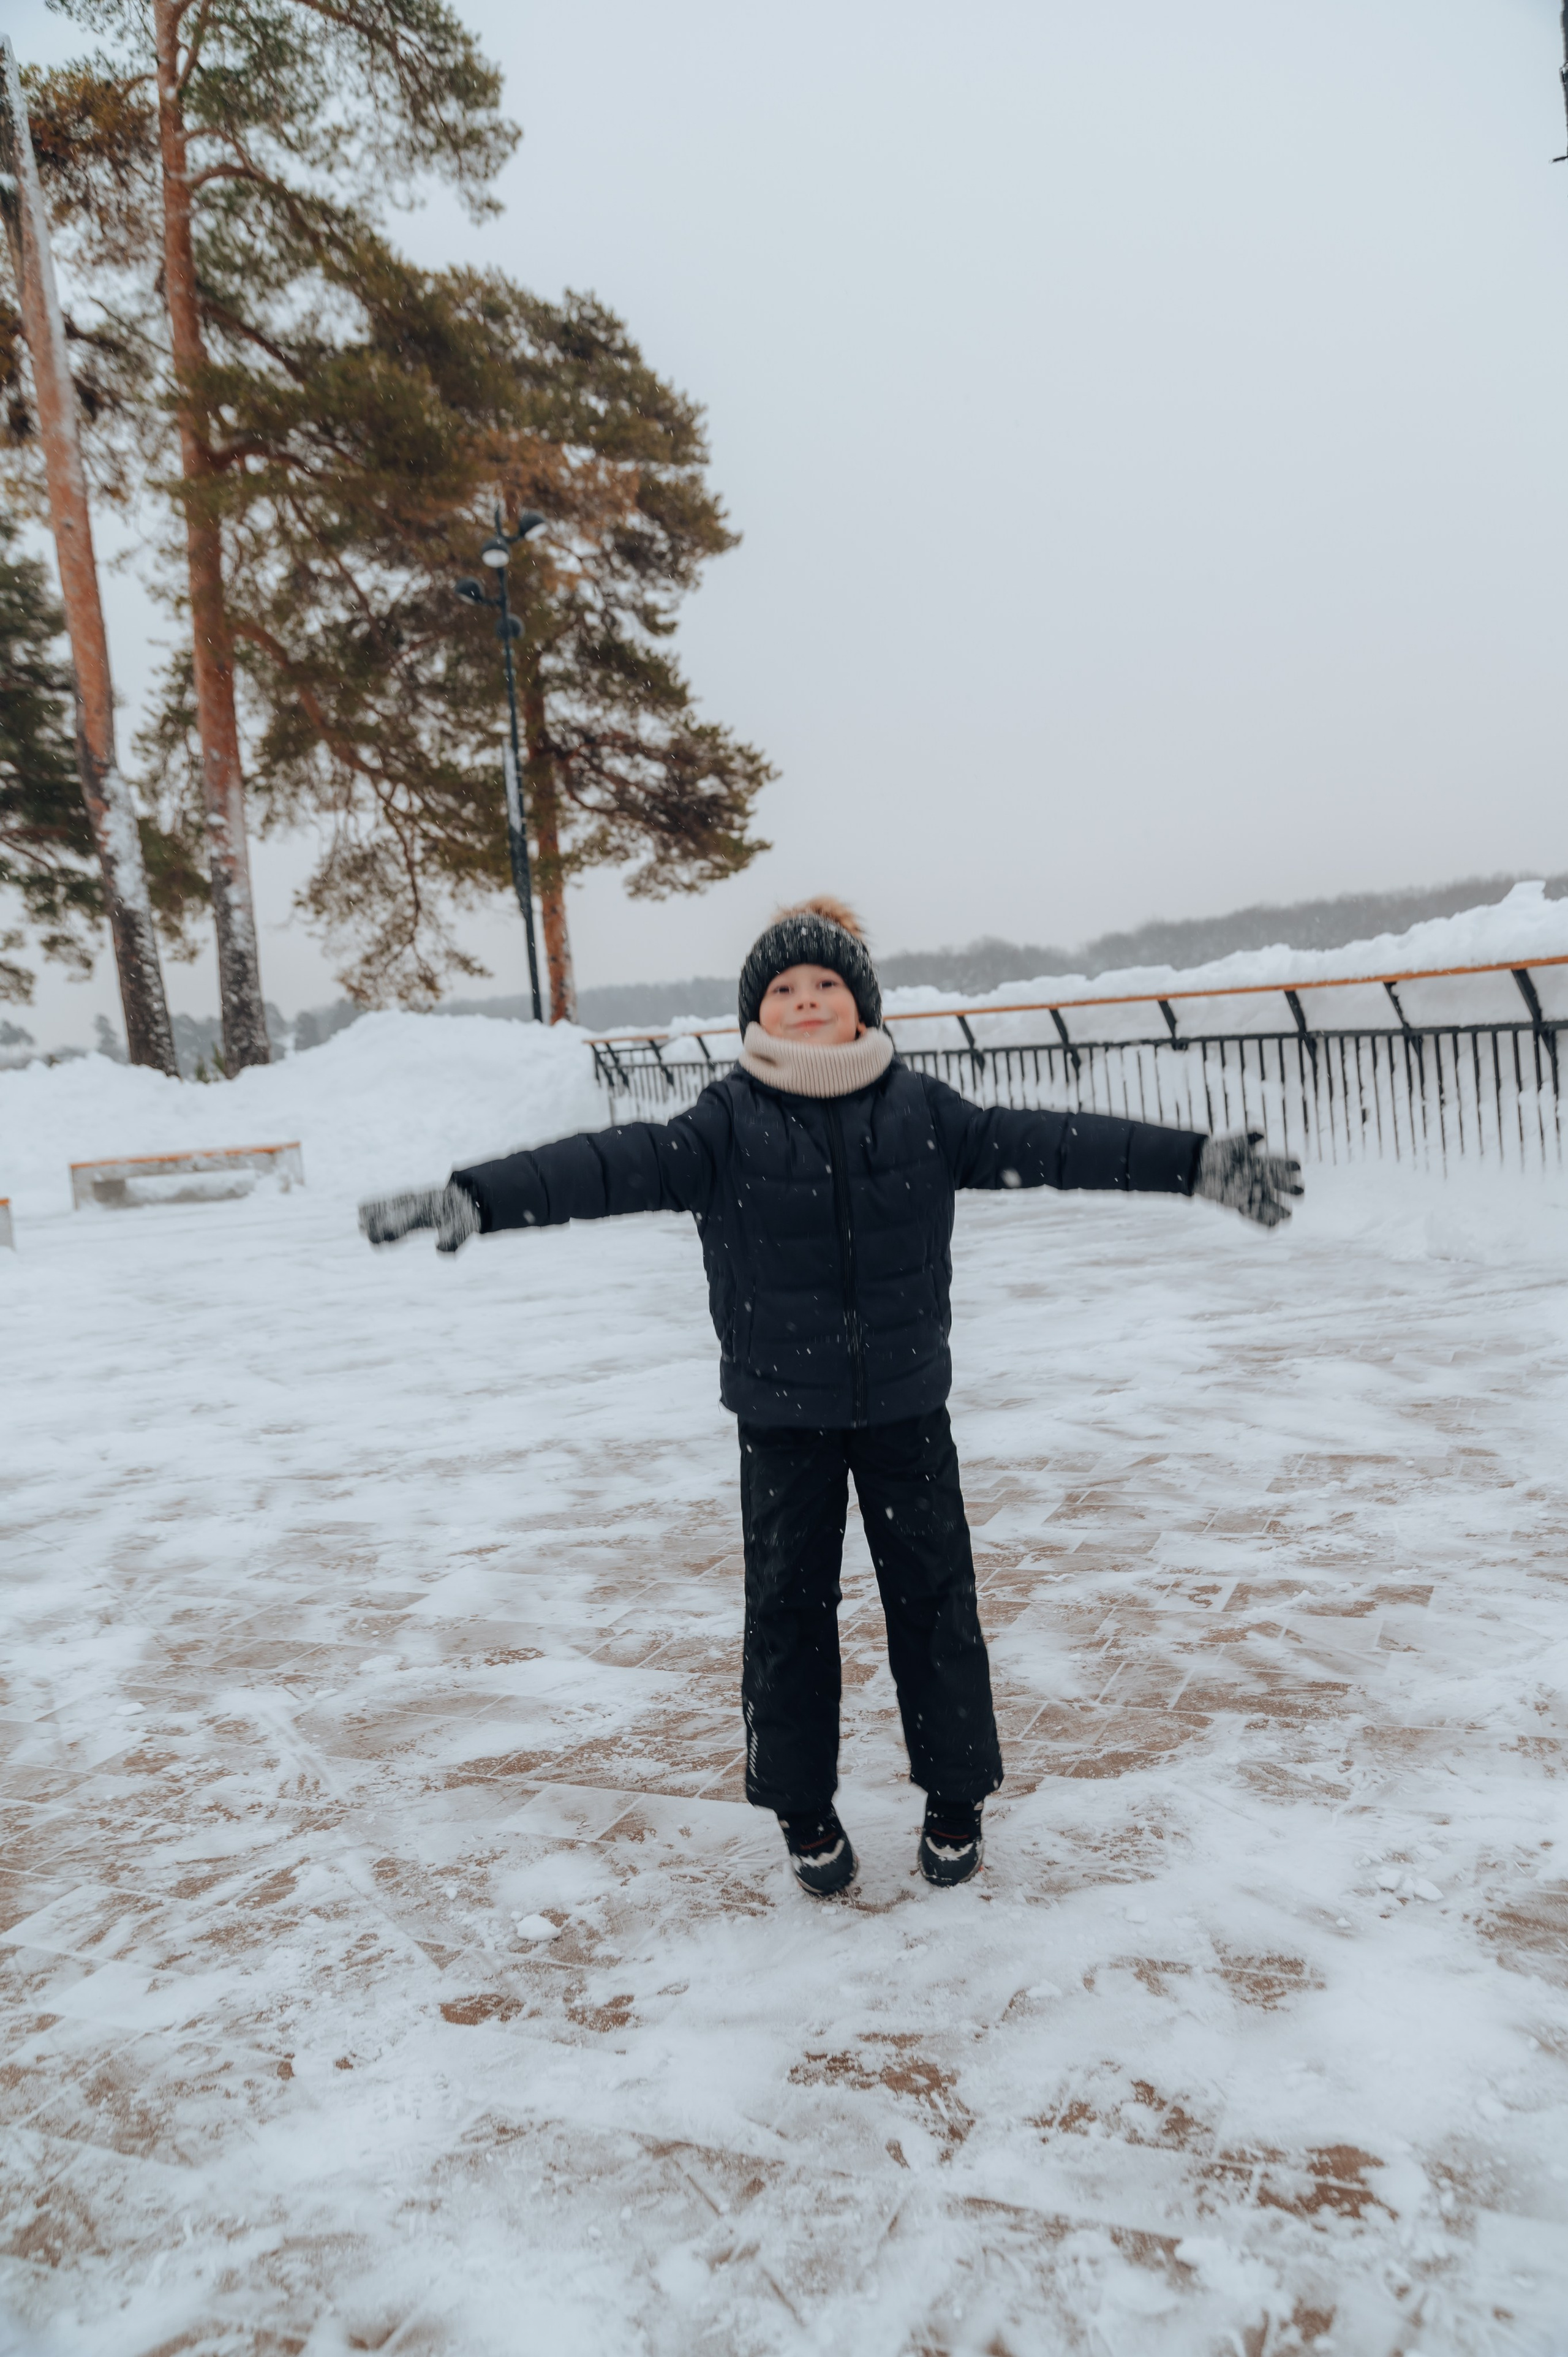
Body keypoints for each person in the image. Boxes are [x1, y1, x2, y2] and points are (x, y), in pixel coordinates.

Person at [358, 898, 1302, 1899]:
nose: (807, 1003)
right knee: (788, 1613)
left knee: (937, 1606)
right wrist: (483, 1194)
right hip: (782, 1417)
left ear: (862, 1006)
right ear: (755, 1015)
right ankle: (803, 1810)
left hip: (906, 1409)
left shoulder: (922, 1112)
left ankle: (955, 1798)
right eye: (784, 990)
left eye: (827, 986)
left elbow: (1060, 1142)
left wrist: (1194, 1162)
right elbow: (607, 1165)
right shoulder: (723, 1126)